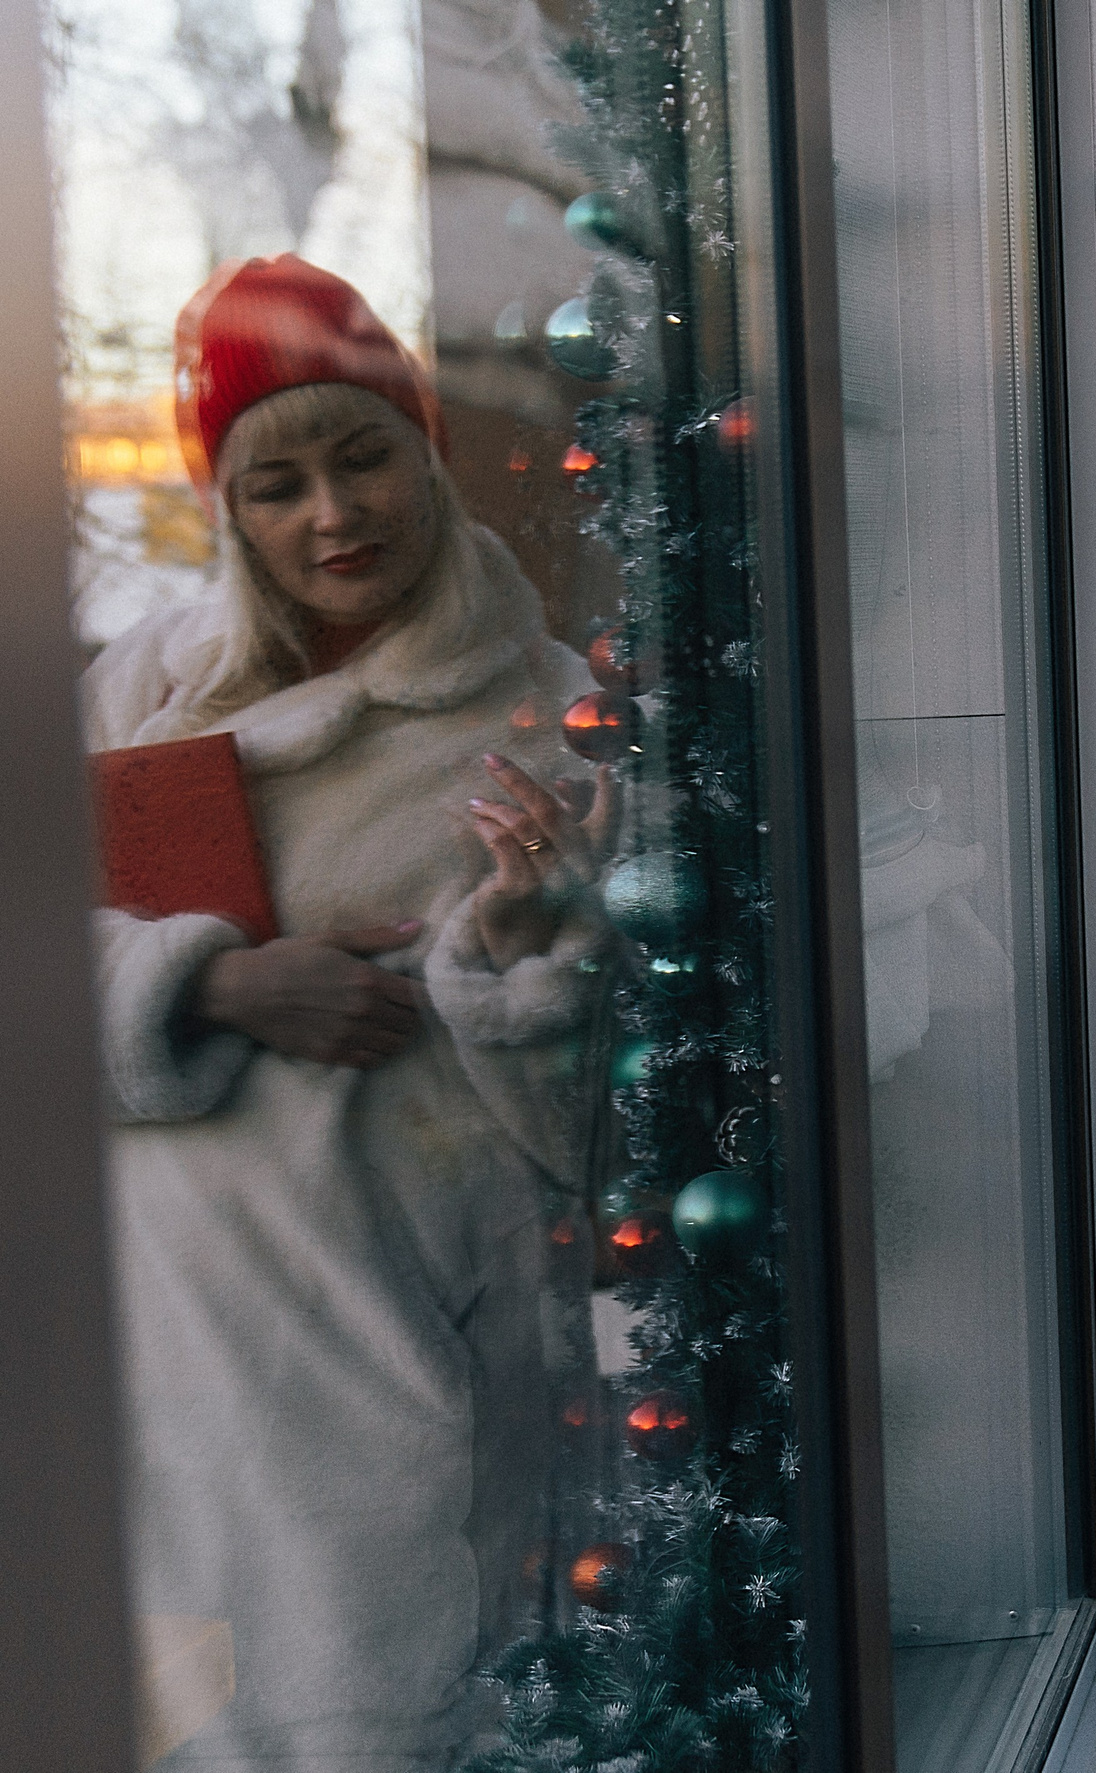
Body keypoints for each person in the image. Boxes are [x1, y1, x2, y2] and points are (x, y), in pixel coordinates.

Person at [87, 255, 612, 1768]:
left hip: (386, 1335)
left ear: (424, 448)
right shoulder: (139, 687)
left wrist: (514, 955)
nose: (335, 514)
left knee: (368, 1726)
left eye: (364, 453)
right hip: (144, 1341)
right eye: (278, 482)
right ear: (228, 512)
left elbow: (586, 1114)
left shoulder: (549, 709)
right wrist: (216, 979)